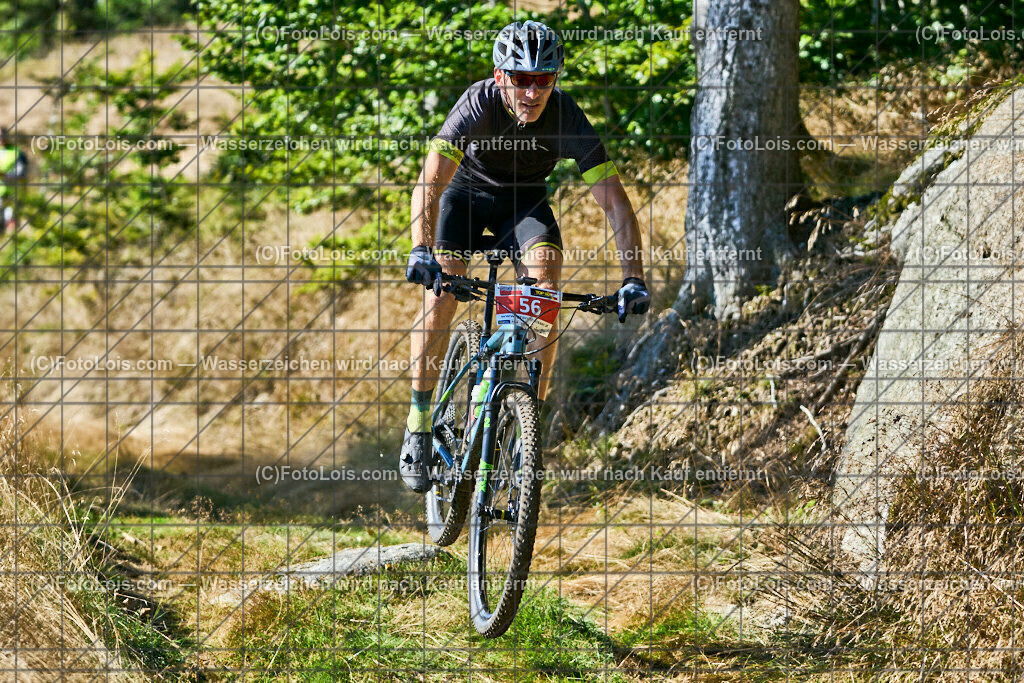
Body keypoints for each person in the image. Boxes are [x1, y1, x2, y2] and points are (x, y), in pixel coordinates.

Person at [400, 20, 650, 493]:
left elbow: (615, 200)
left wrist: (632, 277)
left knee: (545, 287)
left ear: (555, 79)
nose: (532, 91)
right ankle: (419, 424)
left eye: (543, 79)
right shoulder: (477, 104)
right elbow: (431, 178)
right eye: (521, 78)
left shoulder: (567, 116)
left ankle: (525, 422)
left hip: (524, 204)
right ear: (500, 77)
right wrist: (421, 248)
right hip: (465, 198)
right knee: (442, 293)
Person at [0, 127, 29, 234]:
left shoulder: (17, 152)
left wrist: (5, 175)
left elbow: (21, 173)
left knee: (10, 222)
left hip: (12, 194)